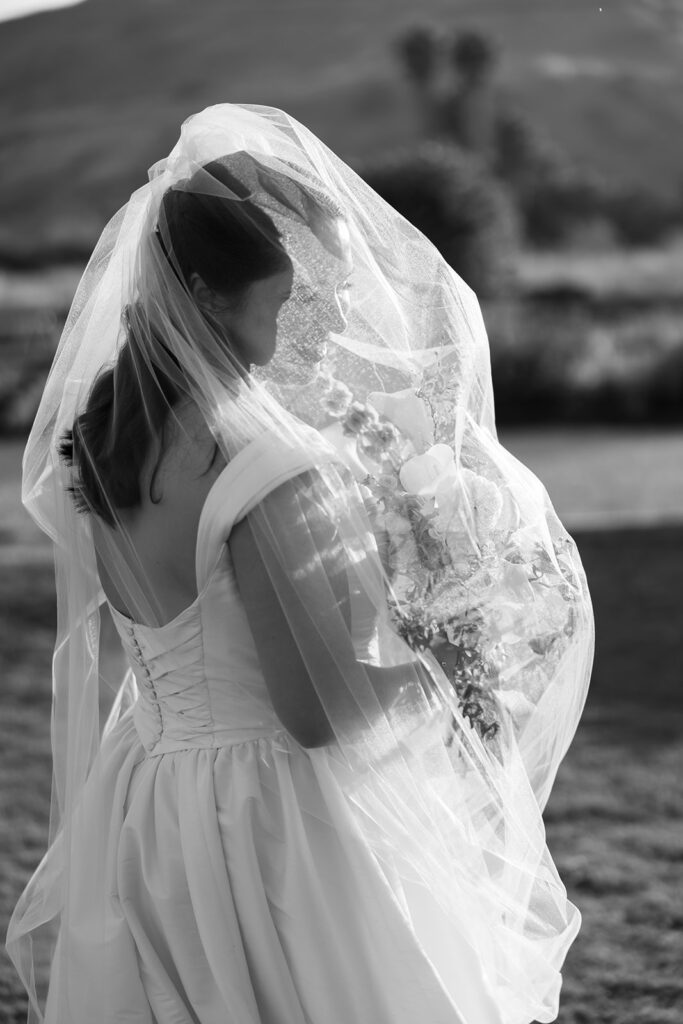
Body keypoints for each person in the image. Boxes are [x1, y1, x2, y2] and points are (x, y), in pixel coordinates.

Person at [6, 104, 594, 1024]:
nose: (284, 338)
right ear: (205, 300)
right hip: (278, 829)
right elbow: (315, 711)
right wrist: (444, 658)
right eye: (272, 309)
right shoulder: (261, 464)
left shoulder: (103, 446)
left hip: (154, 808)